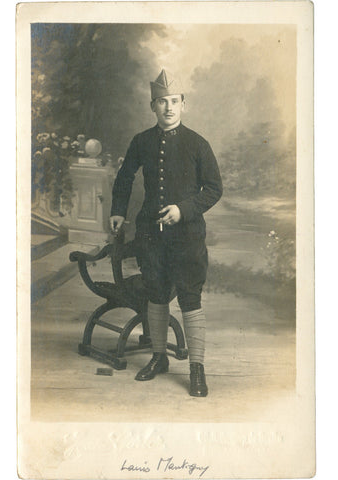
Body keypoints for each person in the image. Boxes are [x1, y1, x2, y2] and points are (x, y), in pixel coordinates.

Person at [109, 69, 222, 397]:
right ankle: (159, 358)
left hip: (187, 238)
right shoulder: (141, 141)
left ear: (183, 104)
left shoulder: (197, 144)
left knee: (189, 297)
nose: (169, 107)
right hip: (151, 236)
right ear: (153, 106)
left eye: (174, 101)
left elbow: (214, 189)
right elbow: (125, 177)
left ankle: (197, 369)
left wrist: (183, 210)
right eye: (162, 102)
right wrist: (118, 210)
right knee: (156, 294)